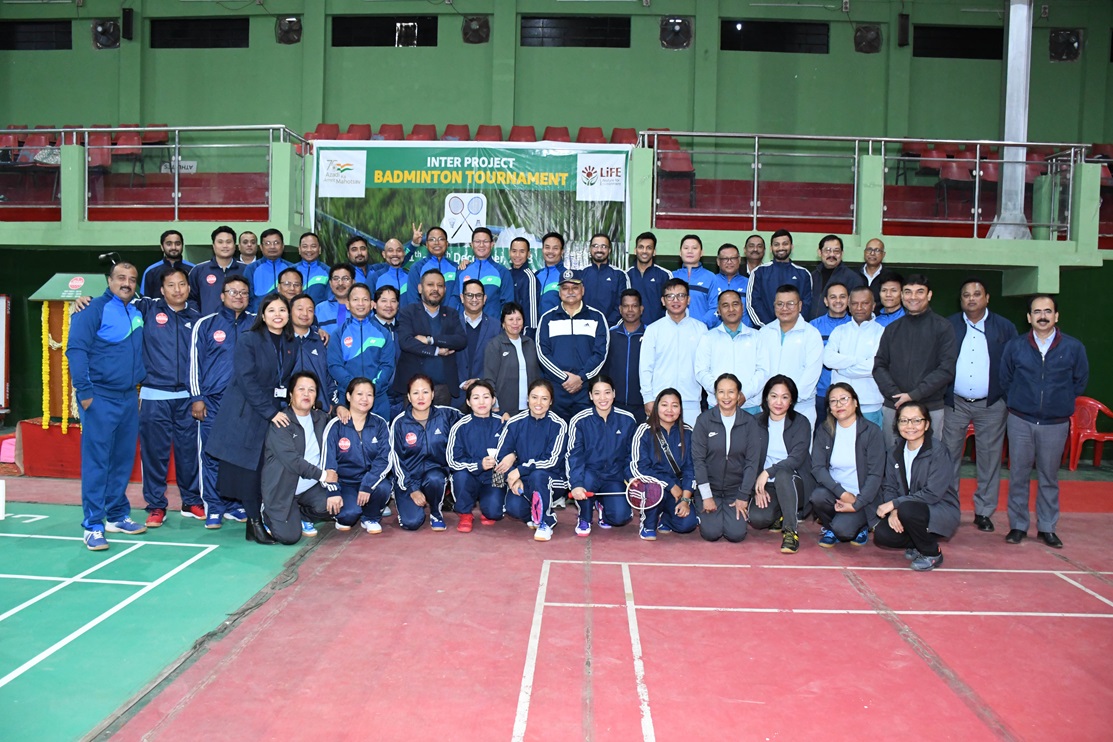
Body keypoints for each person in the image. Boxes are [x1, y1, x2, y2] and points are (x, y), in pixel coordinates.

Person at [66, 262, 148, 550]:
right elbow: (75, 350)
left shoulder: (137, 310)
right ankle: (92, 525)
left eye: (132, 279)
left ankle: (115, 515)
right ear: (109, 280)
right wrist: (86, 393)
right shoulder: (90, 309)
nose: (127, 283)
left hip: (127, 397)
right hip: (99, 397)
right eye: (121, 278)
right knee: (98, 461)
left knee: (122, 460)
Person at [206, 293, 297, 544]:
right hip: (246, 413)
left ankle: (255, 521)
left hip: (271, 412)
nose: (278, 315)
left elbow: (285, 381)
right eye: (272, 310)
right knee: (248, 469)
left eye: (282, 310)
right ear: (263, 315)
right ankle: (254, 523)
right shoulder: (249, 339)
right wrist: (270, 412)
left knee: (261, 470)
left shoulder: (291, 342)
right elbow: (246, 381)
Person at [1000, 295, 1089, 548]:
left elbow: (1079, 381)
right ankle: (1018, 526)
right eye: (1037, 311)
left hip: (1055, 424)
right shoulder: (1015, 346)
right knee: (1018, 475)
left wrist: (1057, 403)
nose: (1042, 316)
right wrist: (1022, 402)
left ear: (1056, 316)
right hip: (1020, 421)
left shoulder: (1073, 348)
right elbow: (1005, 380)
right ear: (1029, 317)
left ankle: (1047, 527)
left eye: (1047, 311)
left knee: (1049, 477)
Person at [940, 278, 1018, 532]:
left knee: (989, 458)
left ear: (987, 298)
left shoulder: (1004, 327)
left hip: (992, 404)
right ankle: (949, 508)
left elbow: (1013, 365)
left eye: (976, 294)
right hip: (955, 403)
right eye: (966, 295)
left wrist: (1004, 397)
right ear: (960, 299)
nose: (971, 298)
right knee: (949, 457)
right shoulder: (949, 325)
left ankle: (984, 512)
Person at [133, 267, 204, 526]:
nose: (177, 289)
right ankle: (155, 505)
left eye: (182, 284)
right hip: (154, 396)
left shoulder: (198, 318)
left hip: (188, 398)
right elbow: (120, 297)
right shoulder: (148, 309)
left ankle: (192, 500)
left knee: (189, 453)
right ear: (162, 290)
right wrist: (86, 300)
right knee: (154, 454)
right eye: (171, 285)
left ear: (188, 287)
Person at [189, 274, 253, 527]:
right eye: (233, 292)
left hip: (246, 404)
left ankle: (234, 504)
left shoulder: (257, 324)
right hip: (213, 402)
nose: (238, 296)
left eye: (243, 292)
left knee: (239, 456)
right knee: (212, 454)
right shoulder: (205, 324)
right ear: (222, 295)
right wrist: (197, 397)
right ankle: (214, 506)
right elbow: (194, 363)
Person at [873, 273, 957, 449]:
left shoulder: (943, 327)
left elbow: (946, 369)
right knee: (893, 459)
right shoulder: (892, 329)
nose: (913, 297)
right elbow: (879, 365)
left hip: (930, 406)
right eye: (908, 292)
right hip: (894, 406)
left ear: (929, 295)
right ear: (902, 296)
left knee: (929, 459)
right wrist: (896, 395)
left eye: (919, 292)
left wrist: (913, 395)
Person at [875, 400, 960, 571]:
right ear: (897, 425)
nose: (910, 426)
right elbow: (890, 487)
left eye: (916, 420)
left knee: (907, 509)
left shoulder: (938, 451)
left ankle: (932, 552)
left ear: (927, 424)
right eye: (904, 420)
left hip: (940, 509)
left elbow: (932, 493)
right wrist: (893, 512)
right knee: (882, 535)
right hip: (909, 509)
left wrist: (895, 504)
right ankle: (917, 542)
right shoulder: (894, 452)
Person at [260, 372, 338, 544]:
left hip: (309, 488)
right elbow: (293, 461)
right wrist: (324, 475)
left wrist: (341, 408)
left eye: (311, 390)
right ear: (290, 394)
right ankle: (267, 512)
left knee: (335, 505)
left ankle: (302, 514)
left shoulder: (321, 418)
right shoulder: (281, 422)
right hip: (283, 490)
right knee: (289, 537)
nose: (306, 394)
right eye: (301, 389)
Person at [809, 382, 886, 547]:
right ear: (829, 408)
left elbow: (876, 474)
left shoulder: (871, 432)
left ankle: (861, 526)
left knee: (844, 531)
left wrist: (857, 502)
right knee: (817, 496)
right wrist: (842, 493)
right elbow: (818, 468)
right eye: (833, 401)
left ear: (855, 402)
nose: (839, 405)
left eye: (844, 399)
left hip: (864, 498)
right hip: (836, 493)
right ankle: (830, 527)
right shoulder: (825, 430)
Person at [494, 379, 569, 541]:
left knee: (538, 476)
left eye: (544, 398)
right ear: (527, 398)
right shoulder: (514, 422)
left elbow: (551, 460)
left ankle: (546, 521)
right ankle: (535, 514)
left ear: (551, 402)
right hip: (523, 479)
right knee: (513, 508)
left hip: (553, 480)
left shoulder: (559, 425)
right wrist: (515, 477)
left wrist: (520, 470)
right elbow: (501, 455)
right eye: (534, 397)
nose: (538, 403)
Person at [747, 375, 814, 554]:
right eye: (774, 396)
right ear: (766, 398)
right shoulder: (755, 423)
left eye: (785, 397)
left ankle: (791, 531)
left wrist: (768, 472)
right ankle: (780, 513)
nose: (779, 402)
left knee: (784, 474)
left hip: (795, 481)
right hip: (767, 484)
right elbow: (750, 459)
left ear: (791, 400)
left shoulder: (801, 423)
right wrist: (756, 487)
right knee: (758, 519)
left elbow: (796, 459)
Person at [390, 374, 463, 532]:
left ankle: (436, 513)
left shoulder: (447, 415)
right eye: (416, 393)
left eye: (425, 392)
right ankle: (404, 497)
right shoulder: (399, 423)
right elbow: (396, 461)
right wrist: (412, 490)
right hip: (409, 479)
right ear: (409, 397)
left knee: (436, 478)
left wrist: (499, 419)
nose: (421, 397)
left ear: (433, 394)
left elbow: (472, 424)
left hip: (434, 473)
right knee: (412, 523)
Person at [692, 374, 759, 545]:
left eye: (731, 392)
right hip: (710, 489)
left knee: (736, 535)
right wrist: (706, 496)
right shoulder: (704, 420)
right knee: (711, 533)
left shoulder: (750, 423)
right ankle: (701, 506)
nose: (726, 397)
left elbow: (752, 463)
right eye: (721, 392)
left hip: (735, 491)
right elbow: (698, 461)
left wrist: (743, 496)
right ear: (715, 394)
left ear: (738, 395)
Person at [567, 375, 637, 535]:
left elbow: (632, 456)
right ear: (590, 396)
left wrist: (632, 478)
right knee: (585, 482)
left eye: (607, 392)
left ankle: (603, 506)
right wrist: (576, 484)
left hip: (614, 477)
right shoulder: (579, 420)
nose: (603, 398)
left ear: (614, 393)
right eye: (597, 393)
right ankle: (584, 517)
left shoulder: (628, 420)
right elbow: (574, 456)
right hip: (589, 475)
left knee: (621, 517)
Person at [322, 377, 393, 534]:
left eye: (369, 395)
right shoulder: (335, 426)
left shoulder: (380, 424)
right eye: (359, 394)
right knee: (348, 516)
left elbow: (385, 459)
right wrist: (333, 490)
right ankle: (351, 510)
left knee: (384, 487)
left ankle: (370, 517)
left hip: (370, 481)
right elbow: (328, 462)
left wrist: (367, 484)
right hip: (345, 483)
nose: (364, 399)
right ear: (348, 396)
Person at [536, 270, 609, 419]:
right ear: (559, 292)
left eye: (575, 287)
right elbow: (542, 353)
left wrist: (580, 378)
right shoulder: (547, 318)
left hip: (585, 389)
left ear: (582, 290)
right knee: (557, 435)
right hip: (557, 390)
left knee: (585, 437)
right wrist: (564, 378)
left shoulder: (597, 317)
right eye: (565, 288)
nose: (570, 292)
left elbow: (601, 354)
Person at [630, 388, 697, 541]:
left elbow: (691, 468)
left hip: (679, 489)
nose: (669, 410)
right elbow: (638, 468)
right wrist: (669, 485)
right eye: (664, 405)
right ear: (656, 407)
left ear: (680, 409)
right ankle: (648, 523)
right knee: (653, 490)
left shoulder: (688, 432)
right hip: (654, 486)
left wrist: (685, 499)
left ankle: (666, 518)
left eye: (675, 405)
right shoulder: (644, 431)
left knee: (687, 524)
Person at [639, 278, 707, 424]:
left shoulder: (701, 329)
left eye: (681, 296)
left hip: (691, 403)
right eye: (670, 296)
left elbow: (704, 367)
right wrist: (648, 398)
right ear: (663, 301)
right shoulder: (653, 330)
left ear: (688, 299)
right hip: (660, 403)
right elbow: (645, 368)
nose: (676, 300)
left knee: (690, 445)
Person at [756, 285, 823, 429]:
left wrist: (788, 399)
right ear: (774, 306)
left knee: (799, 450)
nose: (784, 308)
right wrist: (773, 400)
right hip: (770, 408)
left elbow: (812, 372)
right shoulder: (764, 333)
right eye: (780, 304)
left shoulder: (811, 334)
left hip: (801, 407)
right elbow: (759, 369)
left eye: (790, 303)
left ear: (800, 305)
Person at [395, 270, 466, 405]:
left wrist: (431, 340)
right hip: (415, 389)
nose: (435, 289)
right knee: (412, 426)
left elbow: (460, 340)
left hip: (443, 388)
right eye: (430, 285)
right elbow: (406, 342)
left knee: (442, 425)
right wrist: (437, 351)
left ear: (445, 290)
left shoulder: (451, 313)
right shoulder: (407, 312)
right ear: (420, 288)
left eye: (440, 286)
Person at [328, 282, 395, 420]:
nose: (360, 303)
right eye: (355, 299)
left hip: (378, 399)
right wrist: (355, 389)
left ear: (371, 304)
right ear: (348, 304)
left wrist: (372, 389)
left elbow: (387, 365)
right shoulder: (338, 334)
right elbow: (334, 366)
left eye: (365, 299)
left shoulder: (383, 333)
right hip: (347, 399)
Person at [447, 380, 507, 532]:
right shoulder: (460, 426)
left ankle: (489, 508)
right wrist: (479, 465)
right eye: (475, 397)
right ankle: (465, 513)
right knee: (460, 476)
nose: (481, 402)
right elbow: (453, 461)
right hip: (470, 475)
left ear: (493, 400)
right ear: (468, 401)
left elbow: (513, 452)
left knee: (494, 513)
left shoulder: (503, 423)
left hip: (495, 476)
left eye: (486, 397)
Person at [694, 289, 764, 415]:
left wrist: (744, 394)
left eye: (735, 304)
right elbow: (701, 371)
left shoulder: (757, 337)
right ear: (718, 311)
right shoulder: (708, 338)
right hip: (717, 406)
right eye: (725, 305)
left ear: (742, 307)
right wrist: (722, 394)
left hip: (750, 406)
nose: (731, 309)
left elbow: (763, 371)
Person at [824, 286, 885, 427]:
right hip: (840, 405)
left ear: (873, 305)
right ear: (849, 306)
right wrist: (859, 361)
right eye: (855, 303)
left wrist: (842, 369)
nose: (859, 308)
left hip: (870, 403)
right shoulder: (839, 331)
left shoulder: (882, 333)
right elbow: (828, 360)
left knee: (870, 447)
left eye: (865, 303)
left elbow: (875, 367)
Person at [483, 302, 540, 419]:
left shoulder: (529, 343)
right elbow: (489, 378)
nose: (515, 323)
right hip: (505, 410)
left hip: (531, 408)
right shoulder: (495, 345)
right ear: (503, 323)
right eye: (510, 319)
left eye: (519, 319)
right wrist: (497, 407)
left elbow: (536, 375)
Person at [746, 229, 812, 327]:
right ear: (771, 248)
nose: (781, 247)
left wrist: (793, 327)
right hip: (765, 331)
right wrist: (769, 327)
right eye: (776, 244)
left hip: (795, 331)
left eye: (785, 244)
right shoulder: (759, 272)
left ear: (791, 246)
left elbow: (806, 304)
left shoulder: (803, 274)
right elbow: (753, 303)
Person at [809, 282, 852, 422]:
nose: (838, 301)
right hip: (820, 393)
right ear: (826, 301)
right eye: (833, 297)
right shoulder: (814, 327)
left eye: (842, 297)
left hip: (849, 393)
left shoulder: (856, 326)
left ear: (849, 300)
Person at [603, 289, 648, 424]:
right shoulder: (610, 335)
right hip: (614, 403)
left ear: (641, 309)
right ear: (620, 309)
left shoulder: (650, 335)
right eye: (626, 306)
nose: (630, 310)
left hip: (642, 404)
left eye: (634, 306)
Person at [456, 278, 500, 398]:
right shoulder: (451, 323)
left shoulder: (496, 327)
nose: (474, 299)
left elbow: (499, 362)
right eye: (469, 295)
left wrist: (481, 380)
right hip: (456, 393)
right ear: (462, 298)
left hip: (484, 394)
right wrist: (461, 382)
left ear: (484, 299)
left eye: (478, 295)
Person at [456, 227, 513, 318]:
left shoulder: (502, 272)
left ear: (492, 244)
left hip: (492, 329)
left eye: (485, 241)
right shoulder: (462, 271)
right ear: (472, 244)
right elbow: (455, 301)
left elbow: (508, 305)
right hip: (463, 329)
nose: (481, 245)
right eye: (477, 241)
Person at [189, 225, 244, 315]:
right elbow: (190, 299)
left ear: (235, 245)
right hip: (208, 326)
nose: (225, 246)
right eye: (220, 242)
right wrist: (199, 318)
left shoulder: (246, 270)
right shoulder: (198, 270)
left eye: (228, 242)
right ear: (213, 246)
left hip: (239, 325)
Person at [577, 232, 628, 327]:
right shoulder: (581, 273)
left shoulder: (619, 275)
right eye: (595, 246)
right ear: (590, 249)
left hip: (611, 329)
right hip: (583, 328)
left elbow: (623, 303)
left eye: (604, 246)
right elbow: (575, 302)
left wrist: (607, 325)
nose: (599, 250)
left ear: (609, 250)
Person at [289, 294, 331, 411]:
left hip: (319, 409)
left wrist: (333, 403)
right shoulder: (281, 340)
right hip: (286, 411)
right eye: (300, 309)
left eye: (310, 310)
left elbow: (330, 377)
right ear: (290, 311)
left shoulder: (323, 341)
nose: (305, 314)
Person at [808, 235, 863, 320]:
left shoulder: (852, 278)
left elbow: (858, 307)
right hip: (812, 327)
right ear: (819, 252)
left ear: (842, 253)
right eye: (828, 250)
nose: (832, 254)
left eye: (836, 251)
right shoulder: (812, 276)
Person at [404, 226, 459, 310]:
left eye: (441, 239)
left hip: (450, 319)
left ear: (447, 244)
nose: (436, 243)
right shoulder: (417, 268)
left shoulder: (455, 268)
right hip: (423, 321)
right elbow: (413, 299)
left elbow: (456, 296)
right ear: (426, 244)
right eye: (432, 239)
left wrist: (448, 317)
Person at [626, 231, 670, 326]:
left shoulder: (665, 275)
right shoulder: (626, 275)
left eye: (649, 248)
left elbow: (670, 305)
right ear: (635, 250)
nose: (644, 251)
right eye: (641, 247)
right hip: (633, 330)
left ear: (654, 252)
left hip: (658, 330)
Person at [243, 228, 293, 312]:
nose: (272, 247)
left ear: (283, 246)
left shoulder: (292, 268)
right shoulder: (252, 268)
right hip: (259, 319)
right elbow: (246, 297)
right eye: (267, 243)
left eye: (276, 243)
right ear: (261, 247)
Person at [672, 234, 716, 328]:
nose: (690, 251)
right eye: (686, 248)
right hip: (674, 330)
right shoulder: (671, 276)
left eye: (694, 248)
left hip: (702, 332)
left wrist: (701, 325)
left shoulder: (711, 277)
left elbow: (715, 307)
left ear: (701, 253)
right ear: (680, 252)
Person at [705, 243, 750, 327]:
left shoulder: (749, 283)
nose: (729, 262)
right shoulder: (709, 281)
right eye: (725, 259)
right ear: (718, 261)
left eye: (733, 258)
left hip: (743, 334)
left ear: (739, 260)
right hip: (714, 333)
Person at [141, 229, 194, 299]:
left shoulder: (194, 270)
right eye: (169, 244)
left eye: (177, 244)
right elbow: (145, 301)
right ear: (162, 247)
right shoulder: (151, 271)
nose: (174, 247)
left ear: (182, 245)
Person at [507, 236, 539, 333]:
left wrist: (528, 336)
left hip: (522, 334)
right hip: (506, 332)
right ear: (509, 253)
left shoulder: (530, 277)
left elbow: (532, 316)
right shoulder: (506, 274)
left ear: (528, 254)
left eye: (522, 251)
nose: (517, 255)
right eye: (514, 251)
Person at [535, 231, 568, 317]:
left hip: (558, 327)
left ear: (562, 251)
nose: (550, 251)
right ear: (542, 249)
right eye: (547, 247)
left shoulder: (566, 276)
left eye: (555, 248)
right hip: (537, 328)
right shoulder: (536, 275)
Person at [370, 237, 412, 302]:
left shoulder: (411, 277)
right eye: (390, 250)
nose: (395, 254)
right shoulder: (374, 278)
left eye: (398, 250)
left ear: (404, 253)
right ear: (384, 254)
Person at [315, 263, 354, 331]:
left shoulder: (361, 306)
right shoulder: (320, 309)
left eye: (345, 278)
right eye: (336, 279)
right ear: (330, 283)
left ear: (353, 282)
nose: (340, 283)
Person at [294, 232, 330, 304]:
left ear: (319, 250)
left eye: (313, 246)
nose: (309, 250)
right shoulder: (291, 271)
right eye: (305, 246)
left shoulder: (328, 272)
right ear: (299, 249)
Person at [860, 238, 886, 303]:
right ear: (864, 252)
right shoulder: (853, 275)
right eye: (869, 249)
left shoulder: (889, 277)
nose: (872, 253)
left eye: (877, 250)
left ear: (883, 254)